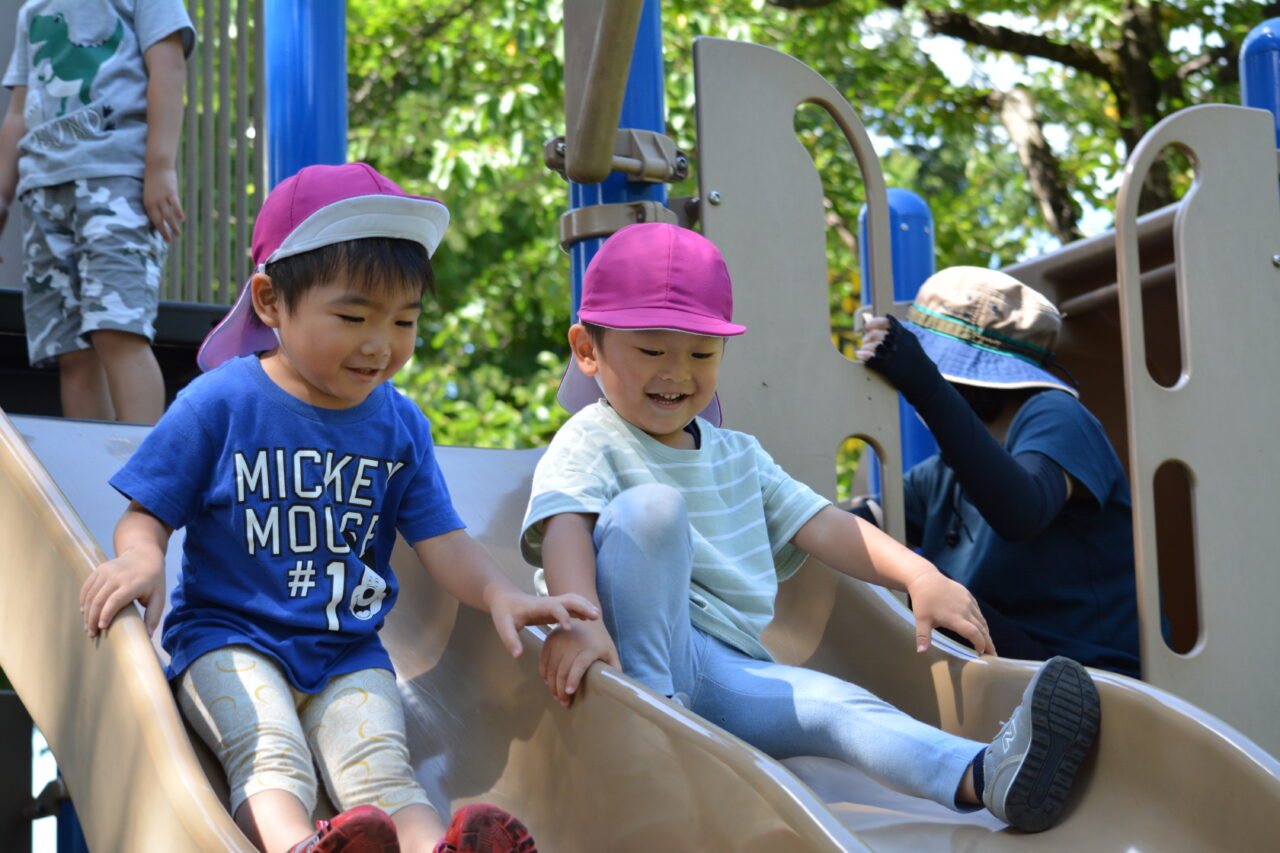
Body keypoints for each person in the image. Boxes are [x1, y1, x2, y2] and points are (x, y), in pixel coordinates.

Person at [78, 162, 598, 853]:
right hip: (228, 640)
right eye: (353, 317)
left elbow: (443, 539)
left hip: (348, 651)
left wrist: (501, 592)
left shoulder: (399, 425)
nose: (381, 343)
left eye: (404, 320)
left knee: (383, 768)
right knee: (269, 751)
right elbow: (149, 511)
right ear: (271, 301)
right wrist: (142, 558)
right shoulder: (221, 404)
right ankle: (297, 845)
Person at [521, 222, 1102, 833]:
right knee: (652, 509)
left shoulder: (738, 455)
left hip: (721, 669)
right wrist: (579, 623)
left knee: (834, 704)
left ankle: (984, 775)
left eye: (701, 354)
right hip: (620, 661)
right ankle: (650, 720)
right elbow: (564, 524)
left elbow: (824, 523)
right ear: (587, 349)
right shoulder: (591, 438)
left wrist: (919, 576)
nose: (677, 372)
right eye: (651, 351)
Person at [853, 266, 1140, 677]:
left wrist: (927, 386)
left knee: (923, 590)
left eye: (945, 374)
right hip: (999, 662)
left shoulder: (1057, 415)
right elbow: (858, 529)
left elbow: (1020, 511)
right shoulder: (942, 474)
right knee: (861, 569)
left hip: (1081, 673)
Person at [0, 0, 193, 424]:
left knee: (118, 329)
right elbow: (18, 111)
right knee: (70, 350)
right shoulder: (34, 8)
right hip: (42, 191)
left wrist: (160, 165)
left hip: (116, 179)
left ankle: (143, 462)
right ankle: (90, 463)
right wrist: (2, 194)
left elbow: (168, 66)